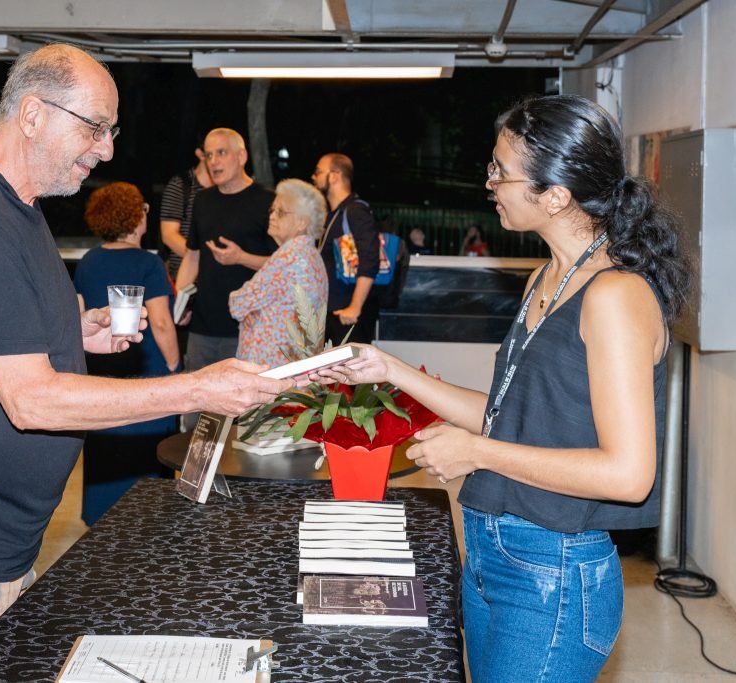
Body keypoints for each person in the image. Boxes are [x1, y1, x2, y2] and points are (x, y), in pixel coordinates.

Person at [0, 44, 290, 683]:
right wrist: (196, 388)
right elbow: (33, 400)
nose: (105, 150)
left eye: (111, 131)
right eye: (94, 127)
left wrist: (72, 331)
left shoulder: (9, 206)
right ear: (31, 114)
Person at [315, 94, 690, 682]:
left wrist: (477, 454)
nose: (489, 182)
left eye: (501, 171)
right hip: (494, 553)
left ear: (556, 194)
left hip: (555, 572)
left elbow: (628, 473)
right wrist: (389, 369)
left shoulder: (616, 297)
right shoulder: (546, 277)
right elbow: (507, 415)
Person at [72, 181, 179, 525]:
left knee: (105, 450)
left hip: (101, 370)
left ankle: (102, 523)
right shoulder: (148, 263)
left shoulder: (88, 261)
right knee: (148, 457)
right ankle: (147, 525)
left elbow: (78, 313)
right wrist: (175, 366)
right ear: (135, 217)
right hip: (144, 372)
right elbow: (161, 323)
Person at [175, 128, 275, 373]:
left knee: (243, 408)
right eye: (208, 155)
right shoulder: (202, 201)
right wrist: (179, 303)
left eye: (221, 153)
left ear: (241, 157)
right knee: (196, 407)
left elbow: (281, 266)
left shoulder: (268, 201)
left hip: (248, 327)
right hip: (202, 327)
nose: (213, 162)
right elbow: (192, 256)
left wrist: (241, 257)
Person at [229, 179, 328, 367]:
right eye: (272, 210)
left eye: (280, 212)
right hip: (293, 367)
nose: (272, 216)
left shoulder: (289, 257)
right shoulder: (312, 255)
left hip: (272, 370)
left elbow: (238, 304)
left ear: (301, 222)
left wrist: (247, 305)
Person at [312, 152, 382, 345]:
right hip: (333, 313)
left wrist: (355, 307)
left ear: (334, 175)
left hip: (348, 315)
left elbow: (370, 258)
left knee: (354, 374)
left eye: (318, 172)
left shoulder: (356, 210)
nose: (313, 177)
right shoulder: (333, 214)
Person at [159, 138, 213, 282]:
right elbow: (169, 235)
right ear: (200, 154)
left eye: (223, 153)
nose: (217, 160)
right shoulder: (181, 185)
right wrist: (207, 260)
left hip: (216, 279)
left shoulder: (224, 189)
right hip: (185, 280)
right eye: (211, 154)